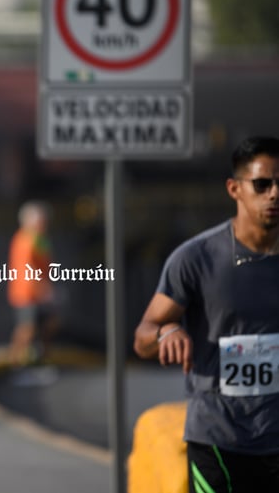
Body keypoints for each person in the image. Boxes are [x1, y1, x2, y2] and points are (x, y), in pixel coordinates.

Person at [133, 136, 279, 492]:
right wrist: (166, 332)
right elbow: (143, 335)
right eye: (262, 184)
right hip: (219, 440)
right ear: (235, 189)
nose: (274, 194)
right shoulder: (197, 258)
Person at [6, 200, 59, 366]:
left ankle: (42, 360)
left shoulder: (40, 239)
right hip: (26, 293)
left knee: (48, 325)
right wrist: (44, 289)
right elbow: (28, 269)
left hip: (40, 293)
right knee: (26, 329)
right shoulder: (25, 240)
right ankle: (15, 364)